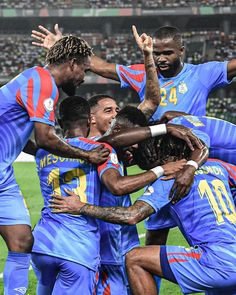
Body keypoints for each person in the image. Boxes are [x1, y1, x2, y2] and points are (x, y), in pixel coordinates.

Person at [31, 95, 186, 295]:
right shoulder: (100, 149)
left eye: (117, 110)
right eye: (109, 110)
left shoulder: (47, 151)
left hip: (50, 241)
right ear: (90, 119)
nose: (115, 115)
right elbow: (116, 184)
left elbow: (148, 105)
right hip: (101, 248)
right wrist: (161, 167)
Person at [49, 134, 236, 295]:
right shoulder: (217, 167)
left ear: (166, 156)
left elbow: (131, 215)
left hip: (216, 261)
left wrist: (81, 207)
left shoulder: (171, 178)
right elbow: (157, 236)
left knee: (135, 258)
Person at [0, 35, 110, 295]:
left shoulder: (37, 79)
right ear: (72, 64)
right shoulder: (43, 83)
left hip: (3, 174)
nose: (84, 77)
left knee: (22, 241)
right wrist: (87, 156)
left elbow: (31, 140)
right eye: (84, 69)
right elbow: (45, 138)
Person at [31, 24, 236, 121]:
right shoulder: (141, 73)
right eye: (156, 53)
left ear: (181, 51)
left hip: (191, 146)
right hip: (154, 151)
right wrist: (62, 47)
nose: (161, 58)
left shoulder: (202, 74)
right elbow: (102, 67)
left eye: (168, 53)